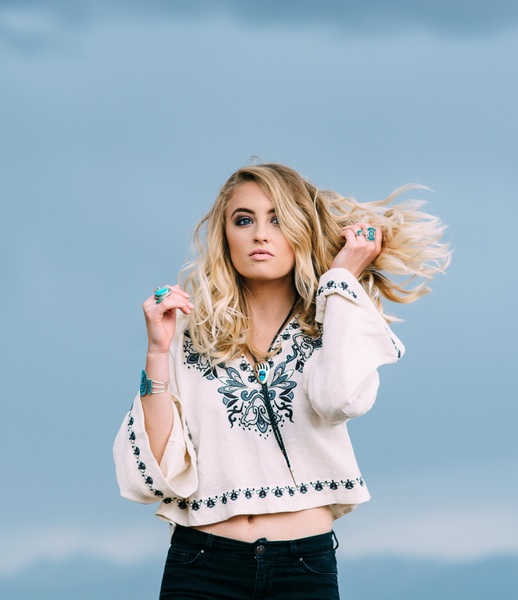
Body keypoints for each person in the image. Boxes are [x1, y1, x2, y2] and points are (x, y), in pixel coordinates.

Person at [113, 162, 450, 599]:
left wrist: (342, 277)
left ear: (301, 229)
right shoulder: (190, 330)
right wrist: (158, 352)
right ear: (224, 236)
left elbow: (338, 399)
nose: (260, 234)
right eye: (244, 220)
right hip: (200, 565)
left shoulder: (335, 318)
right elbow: (156, 471)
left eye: (277, 219)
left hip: (302, 567)